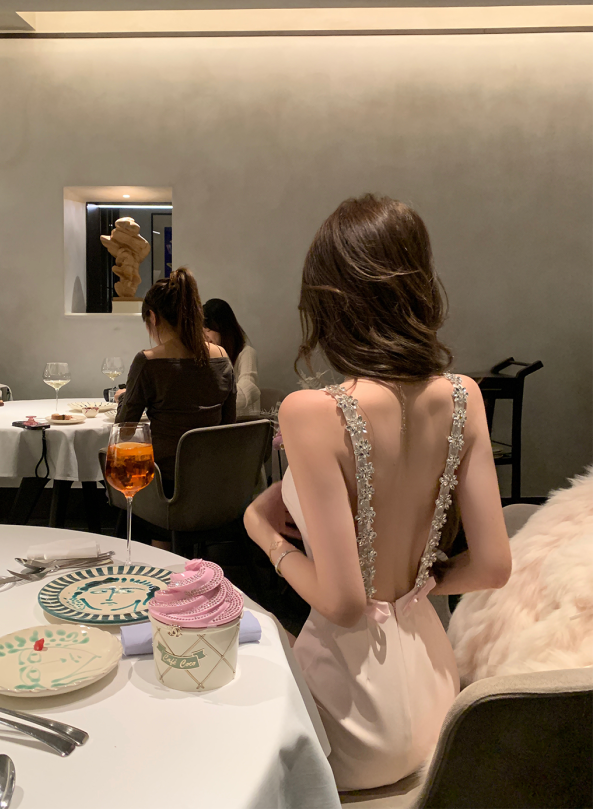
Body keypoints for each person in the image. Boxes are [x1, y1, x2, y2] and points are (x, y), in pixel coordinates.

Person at [244, 195, 511, 791]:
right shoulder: (464, 396)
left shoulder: (310, 411)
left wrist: (264, 534)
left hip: (350, 715)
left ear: (330, 300)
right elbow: (494, 566)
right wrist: (416, 587)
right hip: (438, 701)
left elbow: (343, 604)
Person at [115, 268, 236, 497]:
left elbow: (125, 430)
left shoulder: (148, 362)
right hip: (214, 484)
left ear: (153, 317)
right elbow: (228, 423)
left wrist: (125, 398)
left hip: (164, 486)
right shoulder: (221, 356)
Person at [203, 298, 261, 416]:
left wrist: (211, 399)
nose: (205, 336)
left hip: (244, 422)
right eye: (201, 330)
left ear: (224, 329)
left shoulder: (246, 353)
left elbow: (248, 390)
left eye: (208, 329)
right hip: (219, 421)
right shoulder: (207, 356)